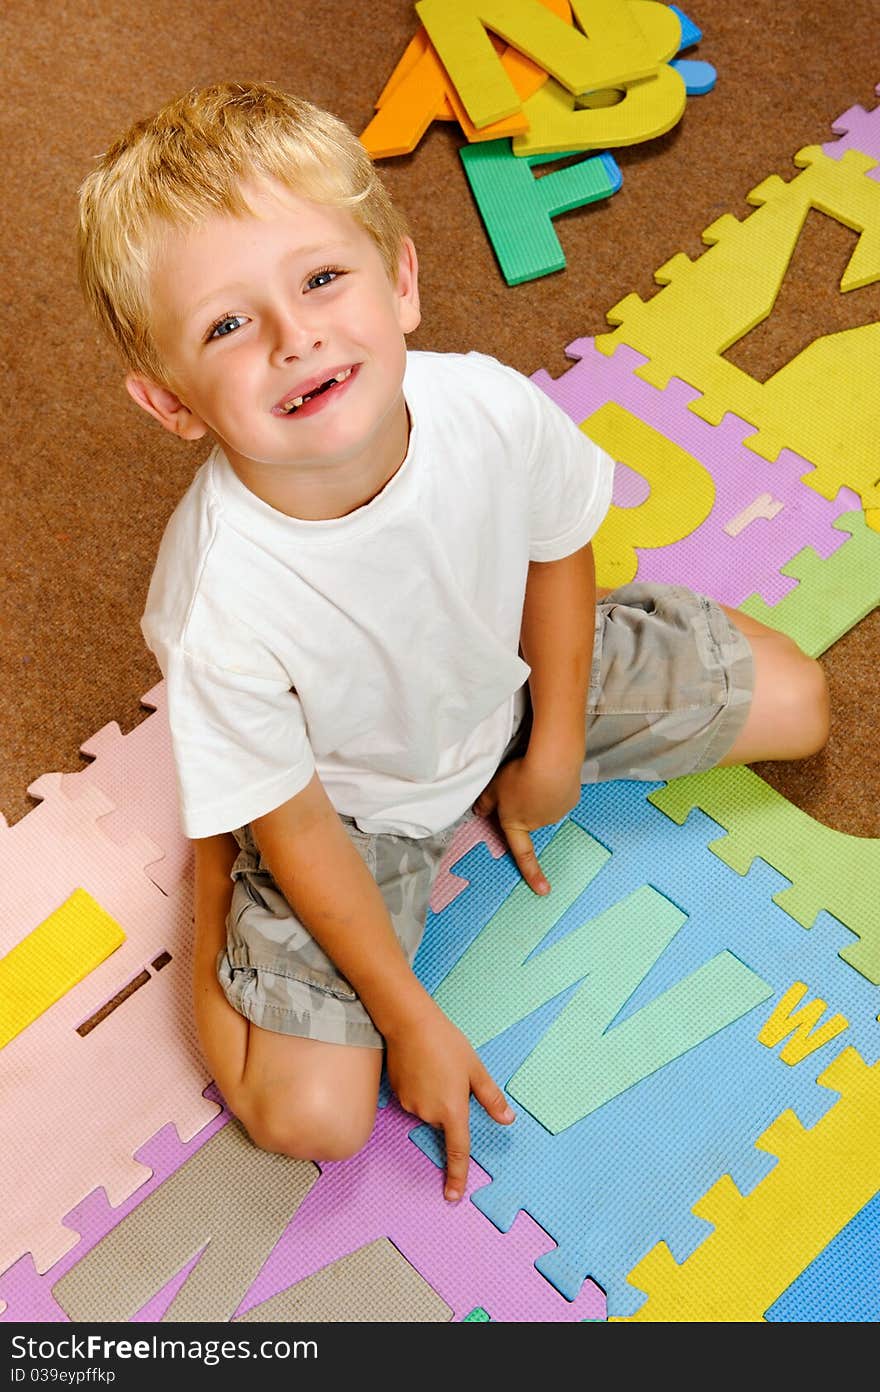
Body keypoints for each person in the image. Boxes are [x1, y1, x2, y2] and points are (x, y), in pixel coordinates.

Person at [76, 79, 830, 1203]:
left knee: (799, 702)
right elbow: (308, 826)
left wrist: (558, 747)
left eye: (323, 278)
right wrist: (410, 1016)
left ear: (403, 280)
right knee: (312, 1119)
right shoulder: (216, 602)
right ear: (171, 403)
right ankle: (214, 860)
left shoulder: (485, 404)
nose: (297, 337)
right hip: (345, 815)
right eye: (227, 326)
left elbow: (557, 549)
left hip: (511, 680)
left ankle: (516, 732)